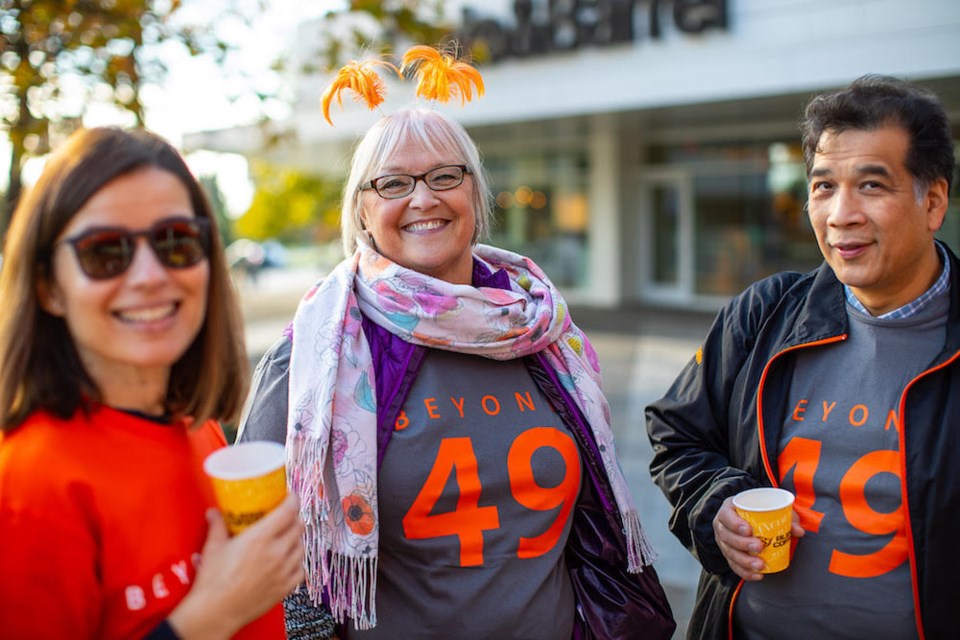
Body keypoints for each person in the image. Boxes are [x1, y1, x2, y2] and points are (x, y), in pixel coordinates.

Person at [237, 105, 675, 639]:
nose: (424, 198)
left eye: (445, 176)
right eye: (393, 183)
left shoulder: (540, 331)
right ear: (361, 213)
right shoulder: (313, 357)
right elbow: (263, 559)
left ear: (474, 194)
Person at [645, 74, 958, 639]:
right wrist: (717, 505)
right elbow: (677, 435)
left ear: (932, 201)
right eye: (821, 187)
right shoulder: (764, 313)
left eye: (871, 186)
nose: (840, 215)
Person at [0, 126, 305, 639]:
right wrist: (211, 615)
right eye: (105, 252)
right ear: (50, 287)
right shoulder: (28, 488)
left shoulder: (197, 427)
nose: (149, 275)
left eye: (176, 242)